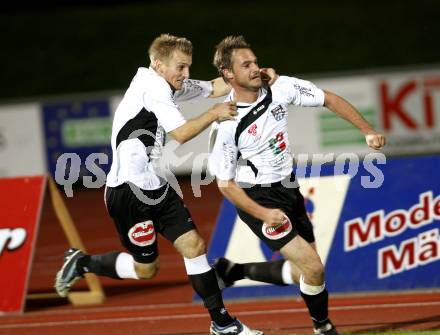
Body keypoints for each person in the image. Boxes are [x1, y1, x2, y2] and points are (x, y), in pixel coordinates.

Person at [54, 34, 276, 335]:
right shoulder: (154, 88)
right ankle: (83, 263)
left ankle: (222, 324)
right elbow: (181, 134)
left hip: (155, 186)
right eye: (181, 68)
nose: (185, 76)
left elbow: (213, 87)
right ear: (158, 65)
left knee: (194, 246)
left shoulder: (169, 82)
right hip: (128, 192)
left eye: (188, 68)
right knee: (146, 270)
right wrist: (214, 114)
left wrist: (254, 76)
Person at [208, 35, 386, 335]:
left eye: (255, 61)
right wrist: (263, 214)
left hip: (288, 187)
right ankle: (323, 327)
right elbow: (225, 184)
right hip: (258, 198)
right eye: (246, 65)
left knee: (301, 271)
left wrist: (366, 129)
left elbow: (328, 98)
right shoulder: (226, 123)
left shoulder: (280, 87)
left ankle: (233, 271)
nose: (256, 68)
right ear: (228, 74)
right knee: (313, 268)